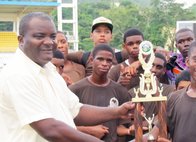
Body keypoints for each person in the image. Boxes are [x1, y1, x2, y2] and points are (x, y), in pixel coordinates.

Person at [0, 12, 135, 142]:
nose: (49, 42)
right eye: (39, 36)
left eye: (52, 37)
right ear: (21, 40)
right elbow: (49, 129)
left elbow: (76, 110)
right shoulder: (17, 73)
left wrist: (117, 111)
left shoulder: (49, 70)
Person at [69, 44, 131, 142]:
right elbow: (65, 124)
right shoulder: (75, 89)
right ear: (91, 60)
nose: (105, 63)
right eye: (100, 59)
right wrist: (88, 130)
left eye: (109, 60)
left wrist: (129, 130)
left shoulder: (120, 90)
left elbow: (122, 126)